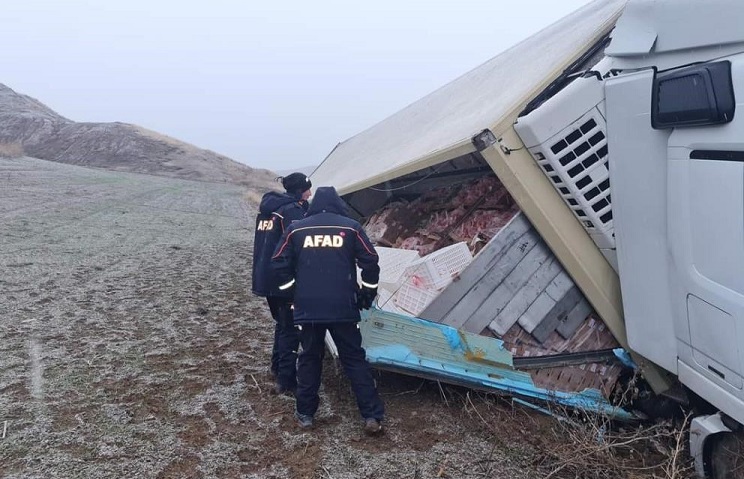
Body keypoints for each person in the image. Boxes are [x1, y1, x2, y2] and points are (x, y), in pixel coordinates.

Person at [271, 186, 385, 435]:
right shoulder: (351, 228)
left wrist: (292, 292)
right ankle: (371, 416)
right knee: (354, 359)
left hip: (308, 307)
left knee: (310, 358)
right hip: (343, 306)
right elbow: (370, 261)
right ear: (338, 205)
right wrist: (366, 293)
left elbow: (278, 262)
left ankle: (305, 415)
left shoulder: (296, 229)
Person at [251, 172, 312, 395]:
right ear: (298, 190)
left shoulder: (267, 211)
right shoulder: (291, 211)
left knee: (282, 323)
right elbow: (299, 244)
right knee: (291, 330)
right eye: (307, 189)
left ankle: (276, 367)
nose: (310, 193)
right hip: (283, 279)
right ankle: (287, 381)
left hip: (265, 277)